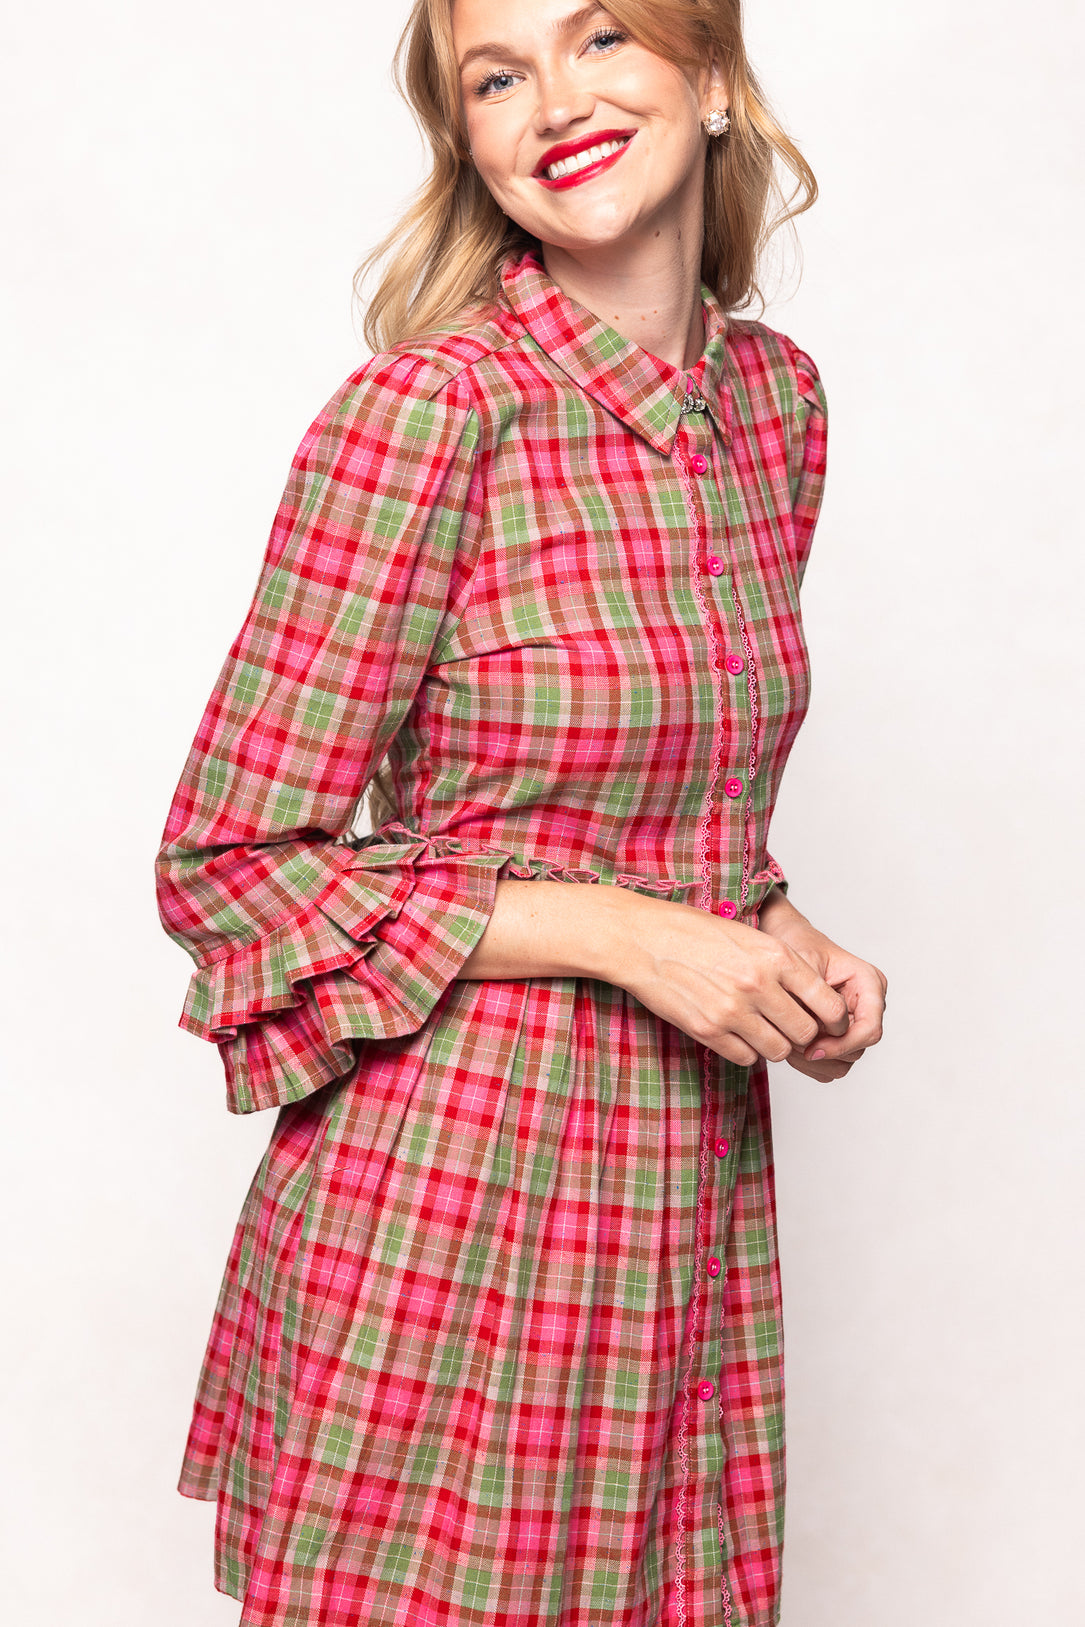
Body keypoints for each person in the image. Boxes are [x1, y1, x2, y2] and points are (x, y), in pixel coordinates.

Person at [156, 0, 888, 1622]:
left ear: (709, 78)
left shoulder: (771, 411)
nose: (553, 98)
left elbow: (667, 794)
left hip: (676, 1196)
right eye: (497, 75)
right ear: (468, 142)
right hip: (453, 1204)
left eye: (604, 36)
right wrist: (625, 939)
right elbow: (226, 869)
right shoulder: (429, 418)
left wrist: (774, 938)